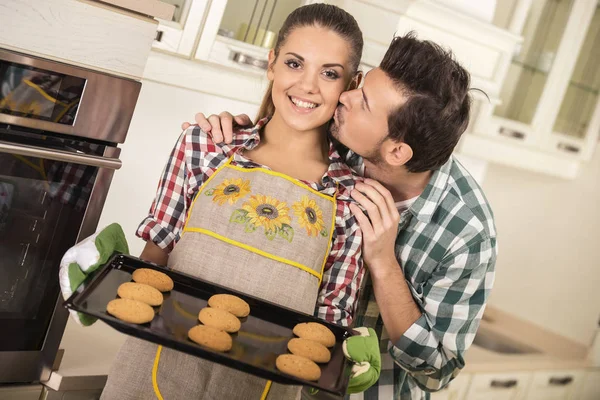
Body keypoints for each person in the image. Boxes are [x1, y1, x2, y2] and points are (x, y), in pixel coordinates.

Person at [60, 4, 383, 400]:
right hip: (147, 377)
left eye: (330, 73)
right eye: (295, 63)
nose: (309, 86)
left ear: (352, 83)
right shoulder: (205, 146)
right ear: (271, 64)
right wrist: (101, 277)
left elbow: (328, 326)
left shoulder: (350, 198)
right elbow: (151, 267)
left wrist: (349, 356)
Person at [186, 32, 498, 399]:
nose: (345, 96)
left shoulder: (466, 232)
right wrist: (234, 131)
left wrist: (383, 264)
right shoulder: (336, 141)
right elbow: (268, 145)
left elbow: (436, 372)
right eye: (361, 83)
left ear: (397, 152)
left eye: (363, 102)